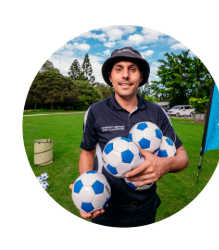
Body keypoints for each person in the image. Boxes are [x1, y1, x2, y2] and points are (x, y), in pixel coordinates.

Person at [69, 47, 189, 227]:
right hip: (107, 207)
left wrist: (166, 164)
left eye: (132, 69)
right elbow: (87, 153)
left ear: (141, 76)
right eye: (119, 69)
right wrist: (87, 192)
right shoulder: (96, 111)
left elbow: (182, 155)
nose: (125, 75)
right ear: (110, 77)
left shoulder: (157, 112)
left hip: (146, 207)